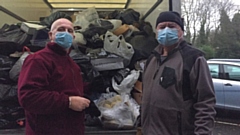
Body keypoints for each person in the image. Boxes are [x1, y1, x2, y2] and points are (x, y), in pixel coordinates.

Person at [141, 11, 216, 135]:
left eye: (171, 26)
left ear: (181, 31)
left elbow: (205, 102)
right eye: (162, 27)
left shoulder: (193, 59)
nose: (166, 30)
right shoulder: (152, 59)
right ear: (156, 31)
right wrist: (140, 125)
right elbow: (145, 98)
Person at [18, 18, 90, 135]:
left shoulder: (72, 64)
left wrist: (88, 90)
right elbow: (29, 96)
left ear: (73, 37)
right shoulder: (38, 60)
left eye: (70, 31)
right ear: (51, 35)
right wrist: (68, 102)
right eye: (61, 29)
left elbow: (64, 88)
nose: (66, 33)